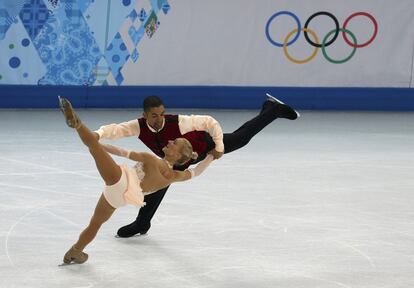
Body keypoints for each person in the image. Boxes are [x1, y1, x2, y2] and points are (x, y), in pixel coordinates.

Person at [95, 94, 299, 238]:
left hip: (203, 145)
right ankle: (269, 109)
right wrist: (97, 135)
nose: (159, 119)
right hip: (173, 161)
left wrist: (217, 147)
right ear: (145, 115)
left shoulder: (179, 122)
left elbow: (210, 122)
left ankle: (273, 110)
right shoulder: (138, 126)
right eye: (154, 116)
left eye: (162, 114)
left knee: (241, 138)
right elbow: (115, 130)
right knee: (158, 184)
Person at [57, 96, 214, 264]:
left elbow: (121, 152)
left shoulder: (151, 159)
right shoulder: (175, 177)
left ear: (178, 155)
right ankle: (75, 252)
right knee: (95, 224)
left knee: (93, 146)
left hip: (120, 181)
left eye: (174, 142)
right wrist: (211, 157)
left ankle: (77, 124)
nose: (170, 140)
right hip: (119, 199)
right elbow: (195, 172)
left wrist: (98, 145)